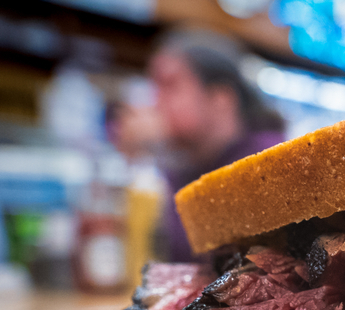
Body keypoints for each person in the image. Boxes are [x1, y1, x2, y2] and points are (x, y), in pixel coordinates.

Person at [115, 31, 285, 262]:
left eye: (170, 86)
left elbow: (217, 261)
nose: (155, 102)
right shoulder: (188, 163)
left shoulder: (268, 162)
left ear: (221, 99)